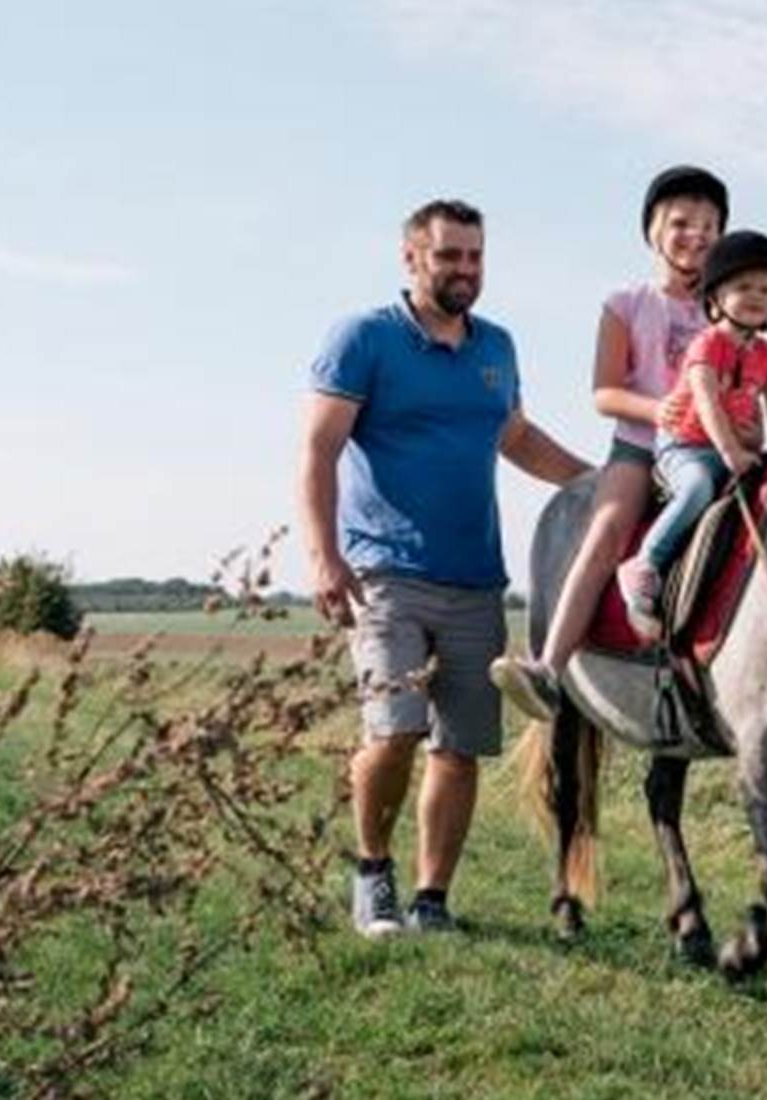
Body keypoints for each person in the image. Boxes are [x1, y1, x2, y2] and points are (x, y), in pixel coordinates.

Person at [299, 198, 589, 937]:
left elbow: (516, 438)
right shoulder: (363, 338)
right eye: (449, 256)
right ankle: (373, 874)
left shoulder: (496, 347)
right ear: (411, 259)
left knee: (458, 749)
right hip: (384, 573)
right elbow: (318, 450)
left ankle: (432, 900)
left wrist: (598, 483)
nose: (465, 270)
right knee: (393, 730)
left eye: (475, 257)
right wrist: (322, 555)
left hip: (475, 577)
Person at [489, 166, 732, 718]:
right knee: (604, 533)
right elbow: (605, 392)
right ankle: (549, 668)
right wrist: (660, 410)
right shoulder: (626, 302)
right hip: (641, 448)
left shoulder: (725, 308)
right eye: (681, 223)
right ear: (653, 231)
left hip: (713, 448)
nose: (696, 234)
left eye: (710, 225)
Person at [614, 229, 767, 639]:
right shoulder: (707, 344)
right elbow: (707, 403)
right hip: (685, 446)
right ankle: (644, 564)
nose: (756, 296)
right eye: (743, 286)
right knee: (697, 488)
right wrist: (731, 451)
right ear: (715, 297)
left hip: (732, 446)